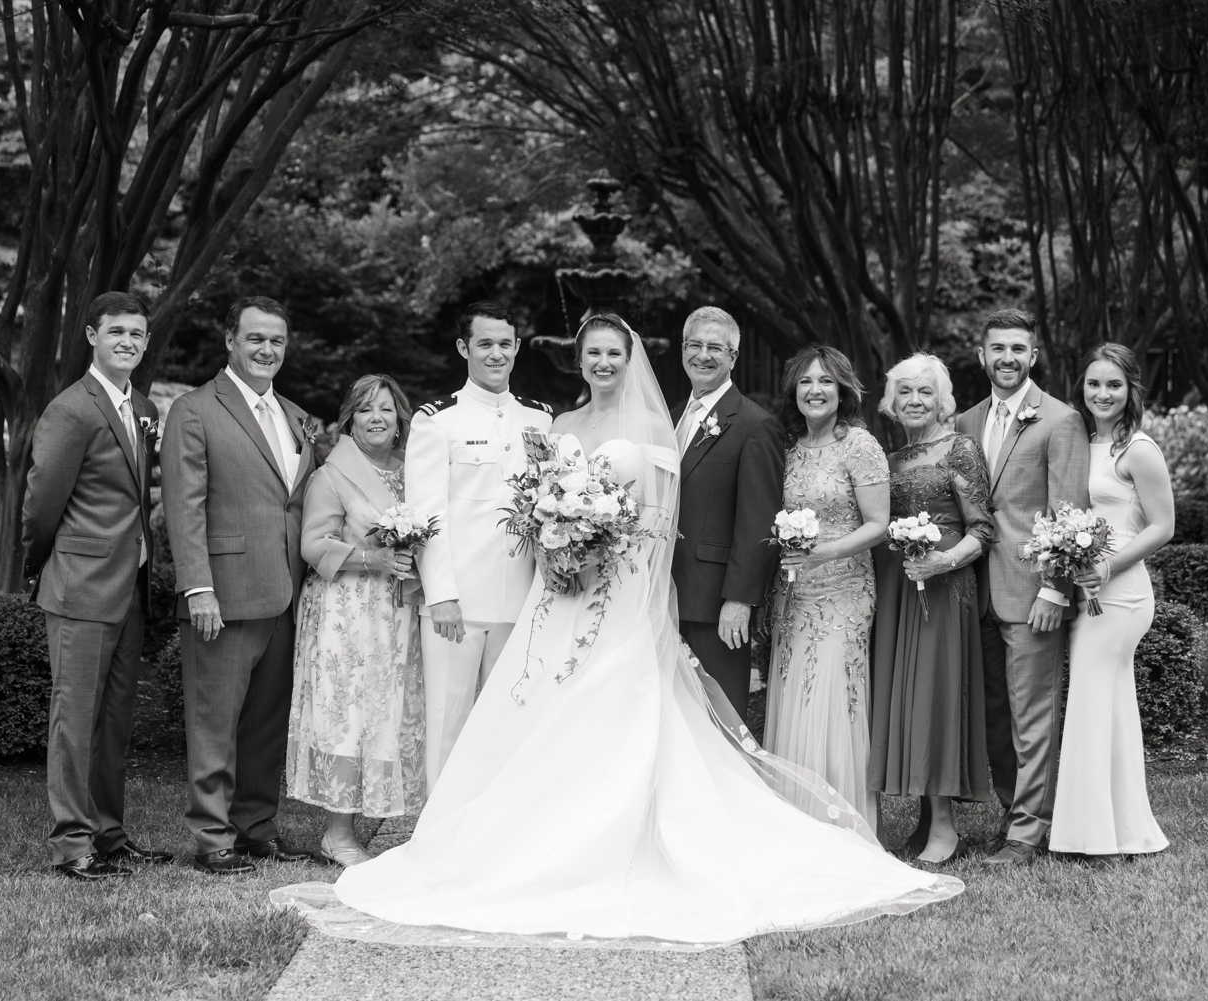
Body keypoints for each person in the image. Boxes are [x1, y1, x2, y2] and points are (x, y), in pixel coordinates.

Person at [271, 313, 961, 946]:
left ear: (629, 359)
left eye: (613, 352)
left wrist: (621, 566)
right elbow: (532, 503)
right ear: (580, 361)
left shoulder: (659, 431)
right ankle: (497, 837)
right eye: (592, 352)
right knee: (534, 713)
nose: (603, 362)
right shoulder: (557, 420)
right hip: (560, 593)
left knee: (618, 713)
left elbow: (659, 524)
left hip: (624, 595)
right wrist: (558, 542)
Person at [162, 296, 319, 875]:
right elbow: (184, 506)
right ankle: (212, 836)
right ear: (231, 339)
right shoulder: (195, 409)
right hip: (223, 595)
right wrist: (197, 587)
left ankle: (256, 828)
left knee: (265, 724)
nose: (266, 350)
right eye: (255, 338)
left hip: (286, 593)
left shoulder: (298, 416)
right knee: (214, 721)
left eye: (276, 340)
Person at [23, 291, 171, 880]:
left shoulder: (146, 408)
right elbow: (40, 505)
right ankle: (71, 844)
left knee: (114, 721)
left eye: (137, 334)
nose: (128, 343)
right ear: (91, 336)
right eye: (117, 333)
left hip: (129, 586)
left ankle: (109, 834)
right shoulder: (71, 409)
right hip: (79, 586)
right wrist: (45, 566)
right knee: (74, 717)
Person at [954, 309, 1090, 865]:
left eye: (1018, 349)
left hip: (1032, 591)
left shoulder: (1060, 420)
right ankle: (1013, 812)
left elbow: (1068, 512)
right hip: (974, 590)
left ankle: (1030, 833)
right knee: (994, 716)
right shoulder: (964, 422)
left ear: (1033, 356)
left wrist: (1055, 590)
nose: (1007, 358)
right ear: (980, 355)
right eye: (997, 349)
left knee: (1032, 715)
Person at [405, 300, 554, 790]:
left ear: (516, 350)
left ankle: (490, 833)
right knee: (448, 719)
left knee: (507, 723)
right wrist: (441, 594)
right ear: (463, 347)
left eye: (505, 344)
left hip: (520, 600)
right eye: (485, 343)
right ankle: (440, 836)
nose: (496, 354)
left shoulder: (540, 421)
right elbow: (427, 516)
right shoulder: (437, 420)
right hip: (459, 602)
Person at [287, 375, 426, 867]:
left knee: (386, 717)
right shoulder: (332, 475)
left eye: (387, 409)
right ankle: (337, 834)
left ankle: (392, 818)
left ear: (400, 418)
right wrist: (374, 560)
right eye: (366, 409)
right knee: (346, 716)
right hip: (345, 614)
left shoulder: (413, 472)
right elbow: (313, 544)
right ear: (350, 418)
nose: (377, 418)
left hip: (397, 615)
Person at [870, 353, 994, 864]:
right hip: (899, 591)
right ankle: (922, 817)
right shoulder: (891, 461)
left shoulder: (960, 450)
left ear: (942, 400)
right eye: (905, 392)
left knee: (936, 697)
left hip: (944, 593)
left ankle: (945, 825)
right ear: (891, 402)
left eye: (925, 392)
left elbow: (982, 529)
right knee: (907, 698)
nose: (914, 401)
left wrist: (942, 562)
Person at [1050, 343, 1172, 863]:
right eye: (1094, 383)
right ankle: (1124, 830)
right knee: (1109, 709)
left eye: (1114, 385)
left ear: (1131, 392)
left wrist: (1106, 566)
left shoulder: (1137, 449)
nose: (1102, 394)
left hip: (1119, 596)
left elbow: (1164, 527)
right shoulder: (1082, 440)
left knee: (1090, 707)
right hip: (1087, 589)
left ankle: (1091, 837)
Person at [764, 345, 889, 828]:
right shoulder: (787, 448)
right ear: (794, 391)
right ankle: (796, 820)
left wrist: (825, 553)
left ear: (843, 391)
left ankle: (842, 821)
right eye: (806, 382)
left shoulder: (859, 445)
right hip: (793, 594)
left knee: (833, 697)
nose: (815, 390)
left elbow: (879, 523)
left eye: (826, 382)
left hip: (844, 593)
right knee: (795, 693)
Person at [671, 306, 785, 718]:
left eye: (715, 347)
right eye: (695, 345)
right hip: (664, 595)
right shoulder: (673, 418)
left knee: (717, 718)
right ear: (683, 350)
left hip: (715, 603)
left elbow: (760, 520)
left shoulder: (756, 425)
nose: (703, 355)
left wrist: (739, 600)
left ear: (733, 357)